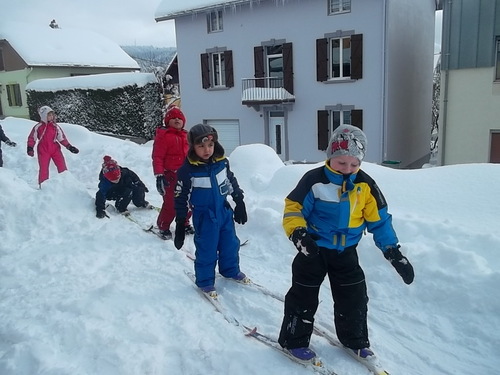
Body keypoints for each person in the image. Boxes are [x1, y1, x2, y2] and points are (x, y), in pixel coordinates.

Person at [278, 124, 414, 362]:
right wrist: (299, 235)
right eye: (342, 163)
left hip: (346, 252)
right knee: (303, 296)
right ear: (330, 157)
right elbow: (294, 209)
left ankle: (355, 340)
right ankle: (294, 340)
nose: (348, 169)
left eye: (354, 164)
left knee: (355, 297)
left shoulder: (365, 185)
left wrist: (392, 251)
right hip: (313, 249)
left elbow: (380, 220)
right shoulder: (314, 180)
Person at [174, 124, 248, 296]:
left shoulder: (221, 163)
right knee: (207, 249)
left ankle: (230, 270)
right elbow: (181, 197)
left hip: (224, 211)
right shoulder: (188, 171)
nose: (207, 150)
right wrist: (180, 222)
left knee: (230, 244)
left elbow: (230, 181)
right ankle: (205, 281)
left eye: (210, 145)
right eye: (201, 146)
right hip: (204, 216)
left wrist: (239, 200)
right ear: (193, 147)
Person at [152, 106, 193, 240]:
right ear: (167, 121)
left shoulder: (187, 136)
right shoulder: (163, 136)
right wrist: (159, 175)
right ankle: (163, 226)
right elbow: (158, 157)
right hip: (170, 175)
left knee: (188, 201)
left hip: (187, 175)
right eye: (173, 118)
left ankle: (184, 222)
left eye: (179, 118)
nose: (177, 120)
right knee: (171, 203)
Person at [26, 106, 79, 185]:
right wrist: (30, 148)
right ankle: (43, 185)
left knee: (62, 166)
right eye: (49, 115)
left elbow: (61, 138)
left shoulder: (55, 127)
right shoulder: (38, 127)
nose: (51, 117)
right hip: (43, 149)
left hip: (55, 149)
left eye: (52, 115)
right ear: (44, 116)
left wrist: (69, 147)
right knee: (43, 169)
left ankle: (66, 183)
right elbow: (32, 138)